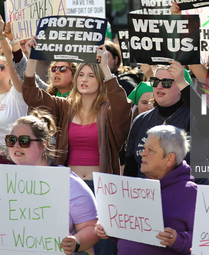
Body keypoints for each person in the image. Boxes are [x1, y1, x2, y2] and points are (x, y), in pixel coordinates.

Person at [22, 37, 132, 181]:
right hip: (69, 185)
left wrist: (105, 67)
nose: (84, 79)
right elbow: (32, 96)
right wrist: (32, 58)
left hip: (101, 187)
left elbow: (122, 107)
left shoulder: (108, 111)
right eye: (81, 75)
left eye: (90, 76)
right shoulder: (64, 106)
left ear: (100, 81)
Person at [5, 110, 100, 255]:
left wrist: (75, 242)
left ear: (43, 145)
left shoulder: (68, 183)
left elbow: (91, 227)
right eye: (11, 140)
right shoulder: (4, 181)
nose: (16, 145)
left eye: (24, 140)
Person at [96, 125, 197, 255]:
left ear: (169, 158)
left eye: (151, 150)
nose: (143, 153)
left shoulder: (191, 193)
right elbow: (127, 235)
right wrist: (108, 229)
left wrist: (177, 239)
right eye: (144, 148)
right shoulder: (135, 189)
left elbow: (208, 239)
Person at [123, 60, 209, 183]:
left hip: (186, 194)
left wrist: (182, 82)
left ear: (181, 88)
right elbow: (131, 169)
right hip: (147, 195)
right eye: (155, 82)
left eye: (166, 83)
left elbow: (207, 119)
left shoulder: (192, 117)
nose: (159, 86)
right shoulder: (141, 120)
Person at [0, 18, 27, 154]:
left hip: (15, 156)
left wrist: (2, 37)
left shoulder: (17, 93)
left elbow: (11, 62)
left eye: (1, 67)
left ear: (11, 74)